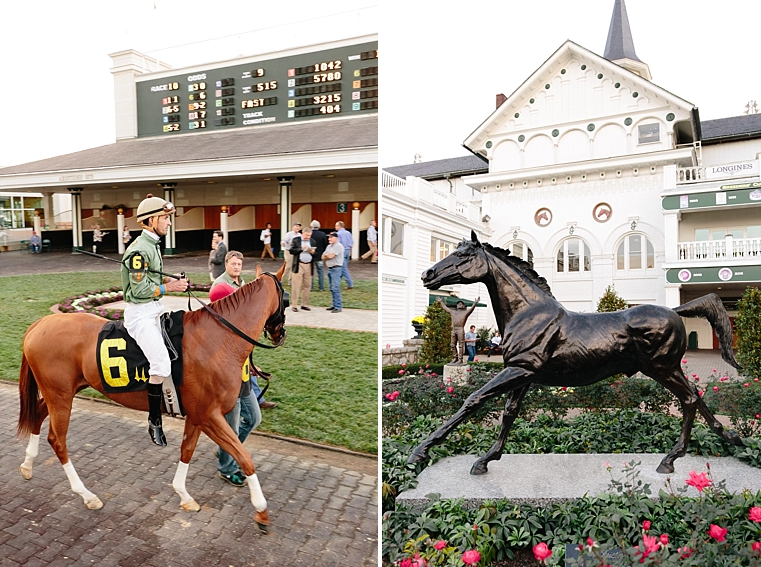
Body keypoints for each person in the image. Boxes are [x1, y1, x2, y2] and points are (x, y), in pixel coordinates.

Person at [121, 194, 188, 446]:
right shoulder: (139, 250)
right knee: (161, 364)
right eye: (165, 218)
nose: (169, 223)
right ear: (150, 221)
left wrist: (170, 282)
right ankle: (154, 421)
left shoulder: (153, 244)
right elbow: (138, 291)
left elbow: (149, 282)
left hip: (154, 308)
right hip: (140, 314)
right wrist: (169, 288)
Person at [208, 282, 263, 487]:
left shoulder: (236, 322)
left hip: (244, 380)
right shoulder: (216, 328)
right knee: (230, 427)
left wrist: (252, 365)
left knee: (254, 418)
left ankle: (225, 449)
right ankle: (227, 468)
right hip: (230, 387)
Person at [210, 252, 277, 410]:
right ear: (226, 264)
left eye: (239, 264)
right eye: (233, 264)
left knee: (246, 365)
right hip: (227, 336)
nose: (236, 267)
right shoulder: (220, 285)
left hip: (242, 333)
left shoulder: (242, 283)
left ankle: (256, 399)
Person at [437, 297, 479, 364]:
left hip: (460, 329)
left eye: (461, 304)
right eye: (458, 304)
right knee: (452, 345)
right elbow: (445, 308)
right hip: (454, 329)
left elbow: (471, 309)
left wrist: (475, 303)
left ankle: (460, 359)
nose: (459, 305)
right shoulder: (452, 312)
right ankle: (455, 358)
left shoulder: (465, 313)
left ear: (463, 306)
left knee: (461, 345)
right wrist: (441, 302)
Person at [288, 226, 315, 312]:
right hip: (299, 264)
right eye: (306, 235)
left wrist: (313, 252)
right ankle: (294, 305)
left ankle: (304, 304)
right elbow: (291, 250)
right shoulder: (296, 240)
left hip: (309, 265)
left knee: (307, 285)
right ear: (302, 233)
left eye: (309, 235)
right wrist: (301, 249)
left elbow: (317, 253)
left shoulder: (312, 241)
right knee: (296, 285)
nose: (308, 237)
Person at [322, 231, 344, 313]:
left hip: (336, 269)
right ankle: (334, 305)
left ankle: (338, 306)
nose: (329, 239)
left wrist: (327, 255)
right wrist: (327, 256)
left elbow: (331, 256)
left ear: (336, 238)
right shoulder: (329, 246)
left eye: (331, 237)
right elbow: (322, 257)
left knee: (335, 288)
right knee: (331, 288)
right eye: (329, 237)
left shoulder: (338, 246)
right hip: (330, 268)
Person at [334, 221, 354, 289]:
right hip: (347, 250)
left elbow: (338, 243)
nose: (335, 227)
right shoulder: (348, 233)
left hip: (341, 251)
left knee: (343, 268)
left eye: (336, 226)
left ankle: (350, 283)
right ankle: (337, 283)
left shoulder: (338, 234)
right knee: (343, 267)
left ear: (339, 226)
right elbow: (351, 242)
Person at [309, 220, 328, 292]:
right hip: (320, 256)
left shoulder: (309, 234)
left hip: (311, 256)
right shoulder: (322, 234)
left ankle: (311, 287)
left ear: (311, 226)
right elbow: (325, 245)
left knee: (310, 272)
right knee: (320, 272)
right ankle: (321, 287)